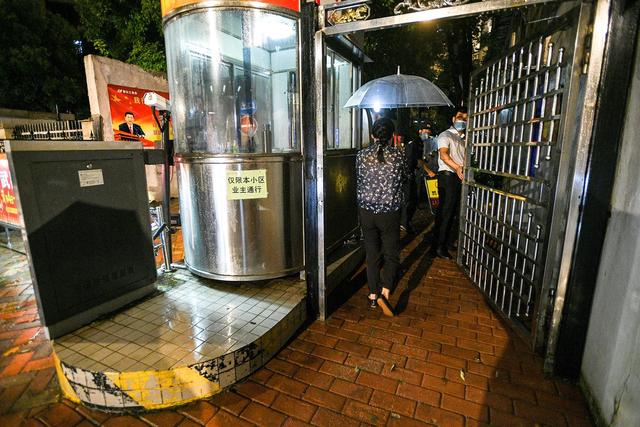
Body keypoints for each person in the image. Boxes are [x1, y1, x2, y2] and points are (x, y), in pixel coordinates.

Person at [357, 117, 409, 317]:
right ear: (392, 136)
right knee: (391, 252)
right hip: (389, 211)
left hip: (367, 211)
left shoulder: (361, 155)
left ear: (372, 135)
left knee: (372, 253)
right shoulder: (398, 155)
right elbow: (405, 177)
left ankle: (372, 293)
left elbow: (359, 178)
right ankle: (385, 291)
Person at [432, 107, 468, 259]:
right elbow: (443, 154)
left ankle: (445, 242)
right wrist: (458, 167)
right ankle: (438, 247)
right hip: (448, 176)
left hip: (458, 177)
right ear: (453, 119)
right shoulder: (445, 135)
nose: (462, 120)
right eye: (460, 117)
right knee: (445, 213)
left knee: (453, 212)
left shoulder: (464, 139)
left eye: (465, 118)